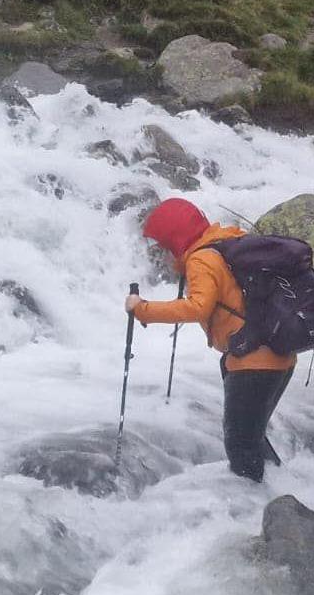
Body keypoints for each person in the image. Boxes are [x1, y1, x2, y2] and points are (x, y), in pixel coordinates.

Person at [126, 198, 295, 483]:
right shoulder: (228, 240)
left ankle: (262, 513)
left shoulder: (202, 259)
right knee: (253, 437)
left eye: (165, 247)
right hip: (279, 355)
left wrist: (142, 308)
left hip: (253, 363)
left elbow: (198, 307)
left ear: (176, 239)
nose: (164, 256)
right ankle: (282, 497)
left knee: (241, 446)